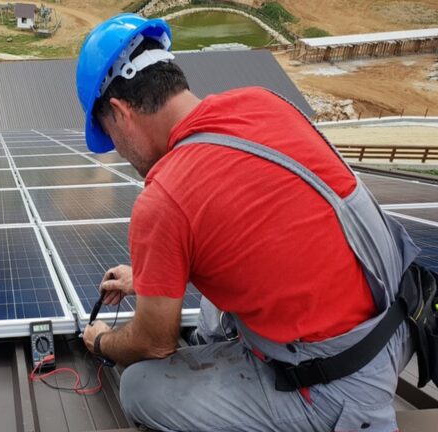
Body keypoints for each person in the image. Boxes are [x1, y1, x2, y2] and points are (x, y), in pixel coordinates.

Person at [77, 13, 420, 432]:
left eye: (109, 135)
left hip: (339, 387)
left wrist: (102, 341)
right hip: (397, 327)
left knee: (139, 387)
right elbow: (258, 228)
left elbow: (153, 342)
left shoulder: (163, 197)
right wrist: (147, 278)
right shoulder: (262, 102)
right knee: (211, 306)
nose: (116, 150)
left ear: (120, 112)